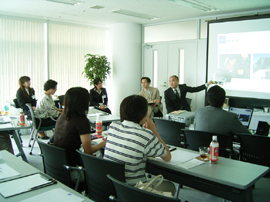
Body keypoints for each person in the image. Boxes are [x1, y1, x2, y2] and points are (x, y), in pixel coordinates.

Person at [104, 95, 175, 195]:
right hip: (133, 190)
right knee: (170, 186)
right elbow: (167, 157)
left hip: (112, 186)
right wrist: (155, 132)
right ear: (142, 113)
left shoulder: (113, 126)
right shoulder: (146, 135)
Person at [54, 87, 106, 167]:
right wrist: (104, 142)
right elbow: (88, 151)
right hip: (73, 165)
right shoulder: (82, 121)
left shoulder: (62, 116)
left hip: (59, 162)